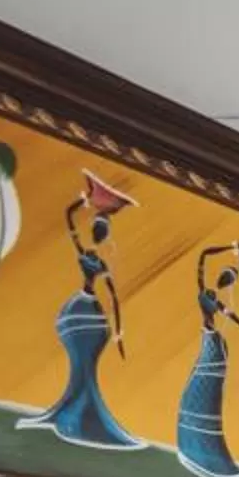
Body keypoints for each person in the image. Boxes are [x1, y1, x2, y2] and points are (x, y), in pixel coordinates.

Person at [21, 170, 143, 450]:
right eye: (100, 227)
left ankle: (76, 411)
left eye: (101, 228)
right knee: (83, 367)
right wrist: (84, 201)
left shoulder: (94, 259)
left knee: (84, 367)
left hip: (84, 313)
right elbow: (112, 297)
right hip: (83, 314)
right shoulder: (94, 259)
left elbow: (113, 296)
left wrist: (119, 332)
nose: (99, 233)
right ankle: (76, 411)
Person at [173, 241, 239, 477]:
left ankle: (198, 448)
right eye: (229, 277)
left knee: (205, 396)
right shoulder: (210, 298)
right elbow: (203, 256)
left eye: (230, 277)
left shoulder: (215, 301)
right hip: (212, 346)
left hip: (216, 349)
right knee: (200, 393)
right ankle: (195, 448)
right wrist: (231, 247)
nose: (228, 281)